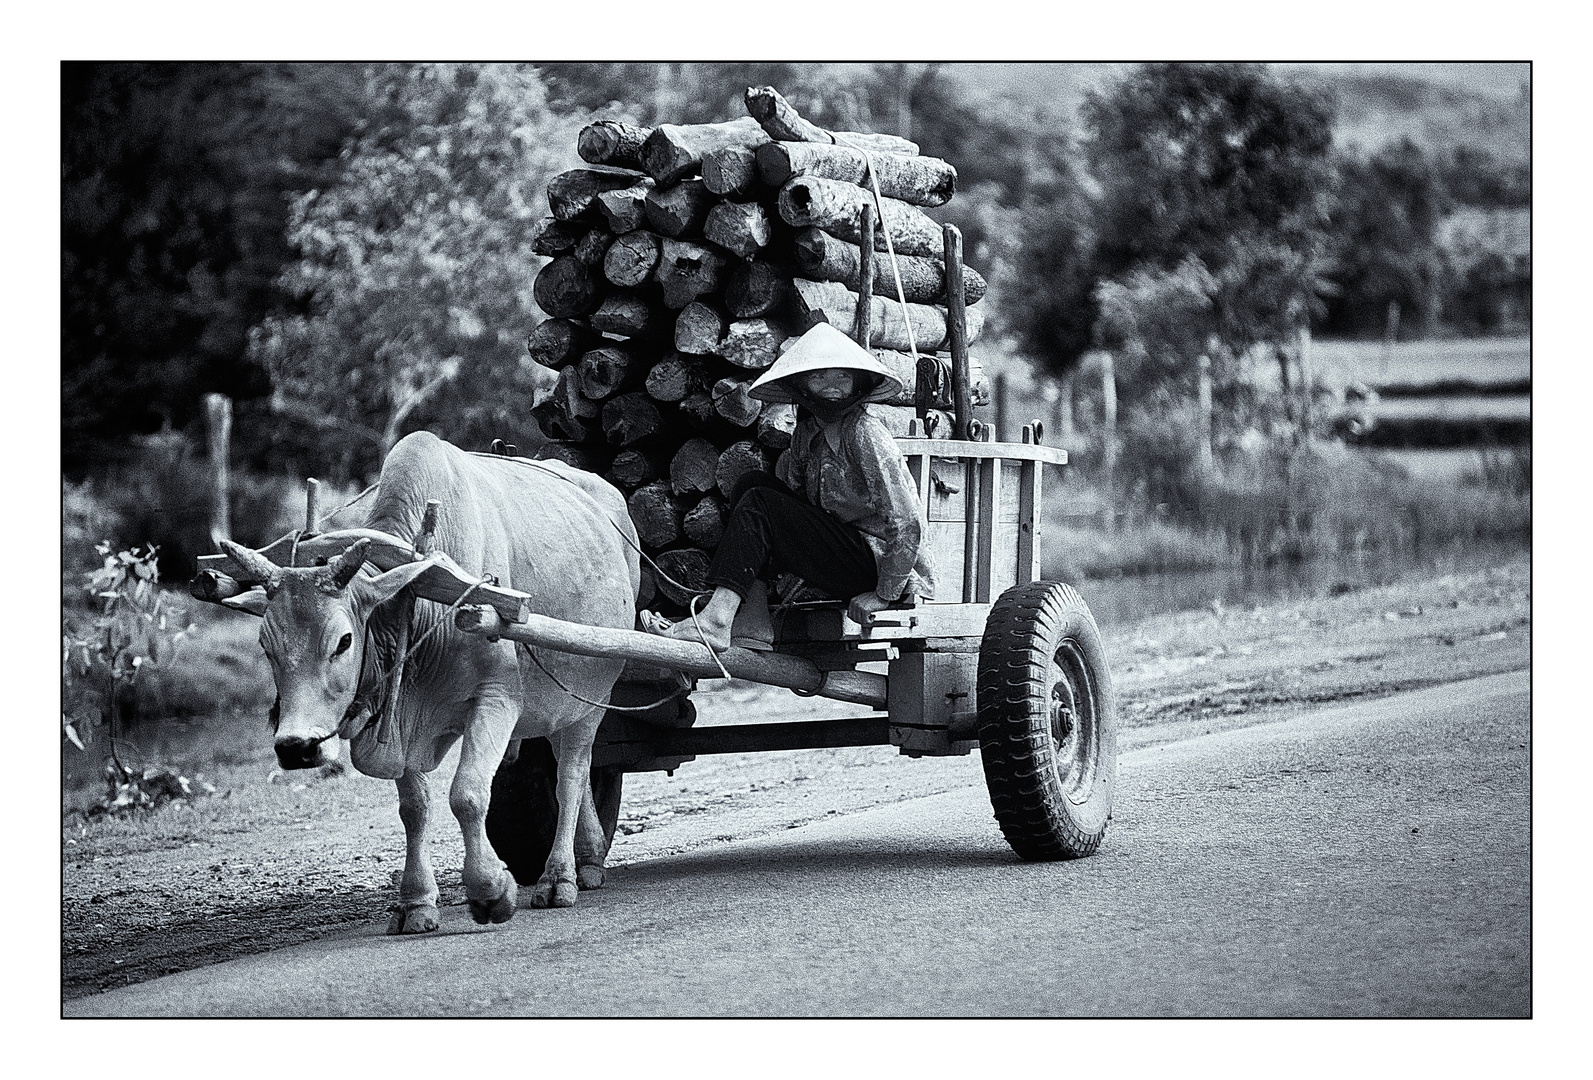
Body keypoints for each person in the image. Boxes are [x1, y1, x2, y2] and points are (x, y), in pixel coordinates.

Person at [652, 322, 936, 651]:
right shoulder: (805, 436)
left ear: (858, 382)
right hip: (839, 551)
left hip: (877, 562)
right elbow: (796, 517)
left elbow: (907, 522)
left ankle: (716, 620)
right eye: (819, 377)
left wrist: (883, 594)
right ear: (801, 386)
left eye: (842, 376)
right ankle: (753, 619)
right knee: (751, 485)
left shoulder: (865, 434)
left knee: (759, 501)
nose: (832, 386)